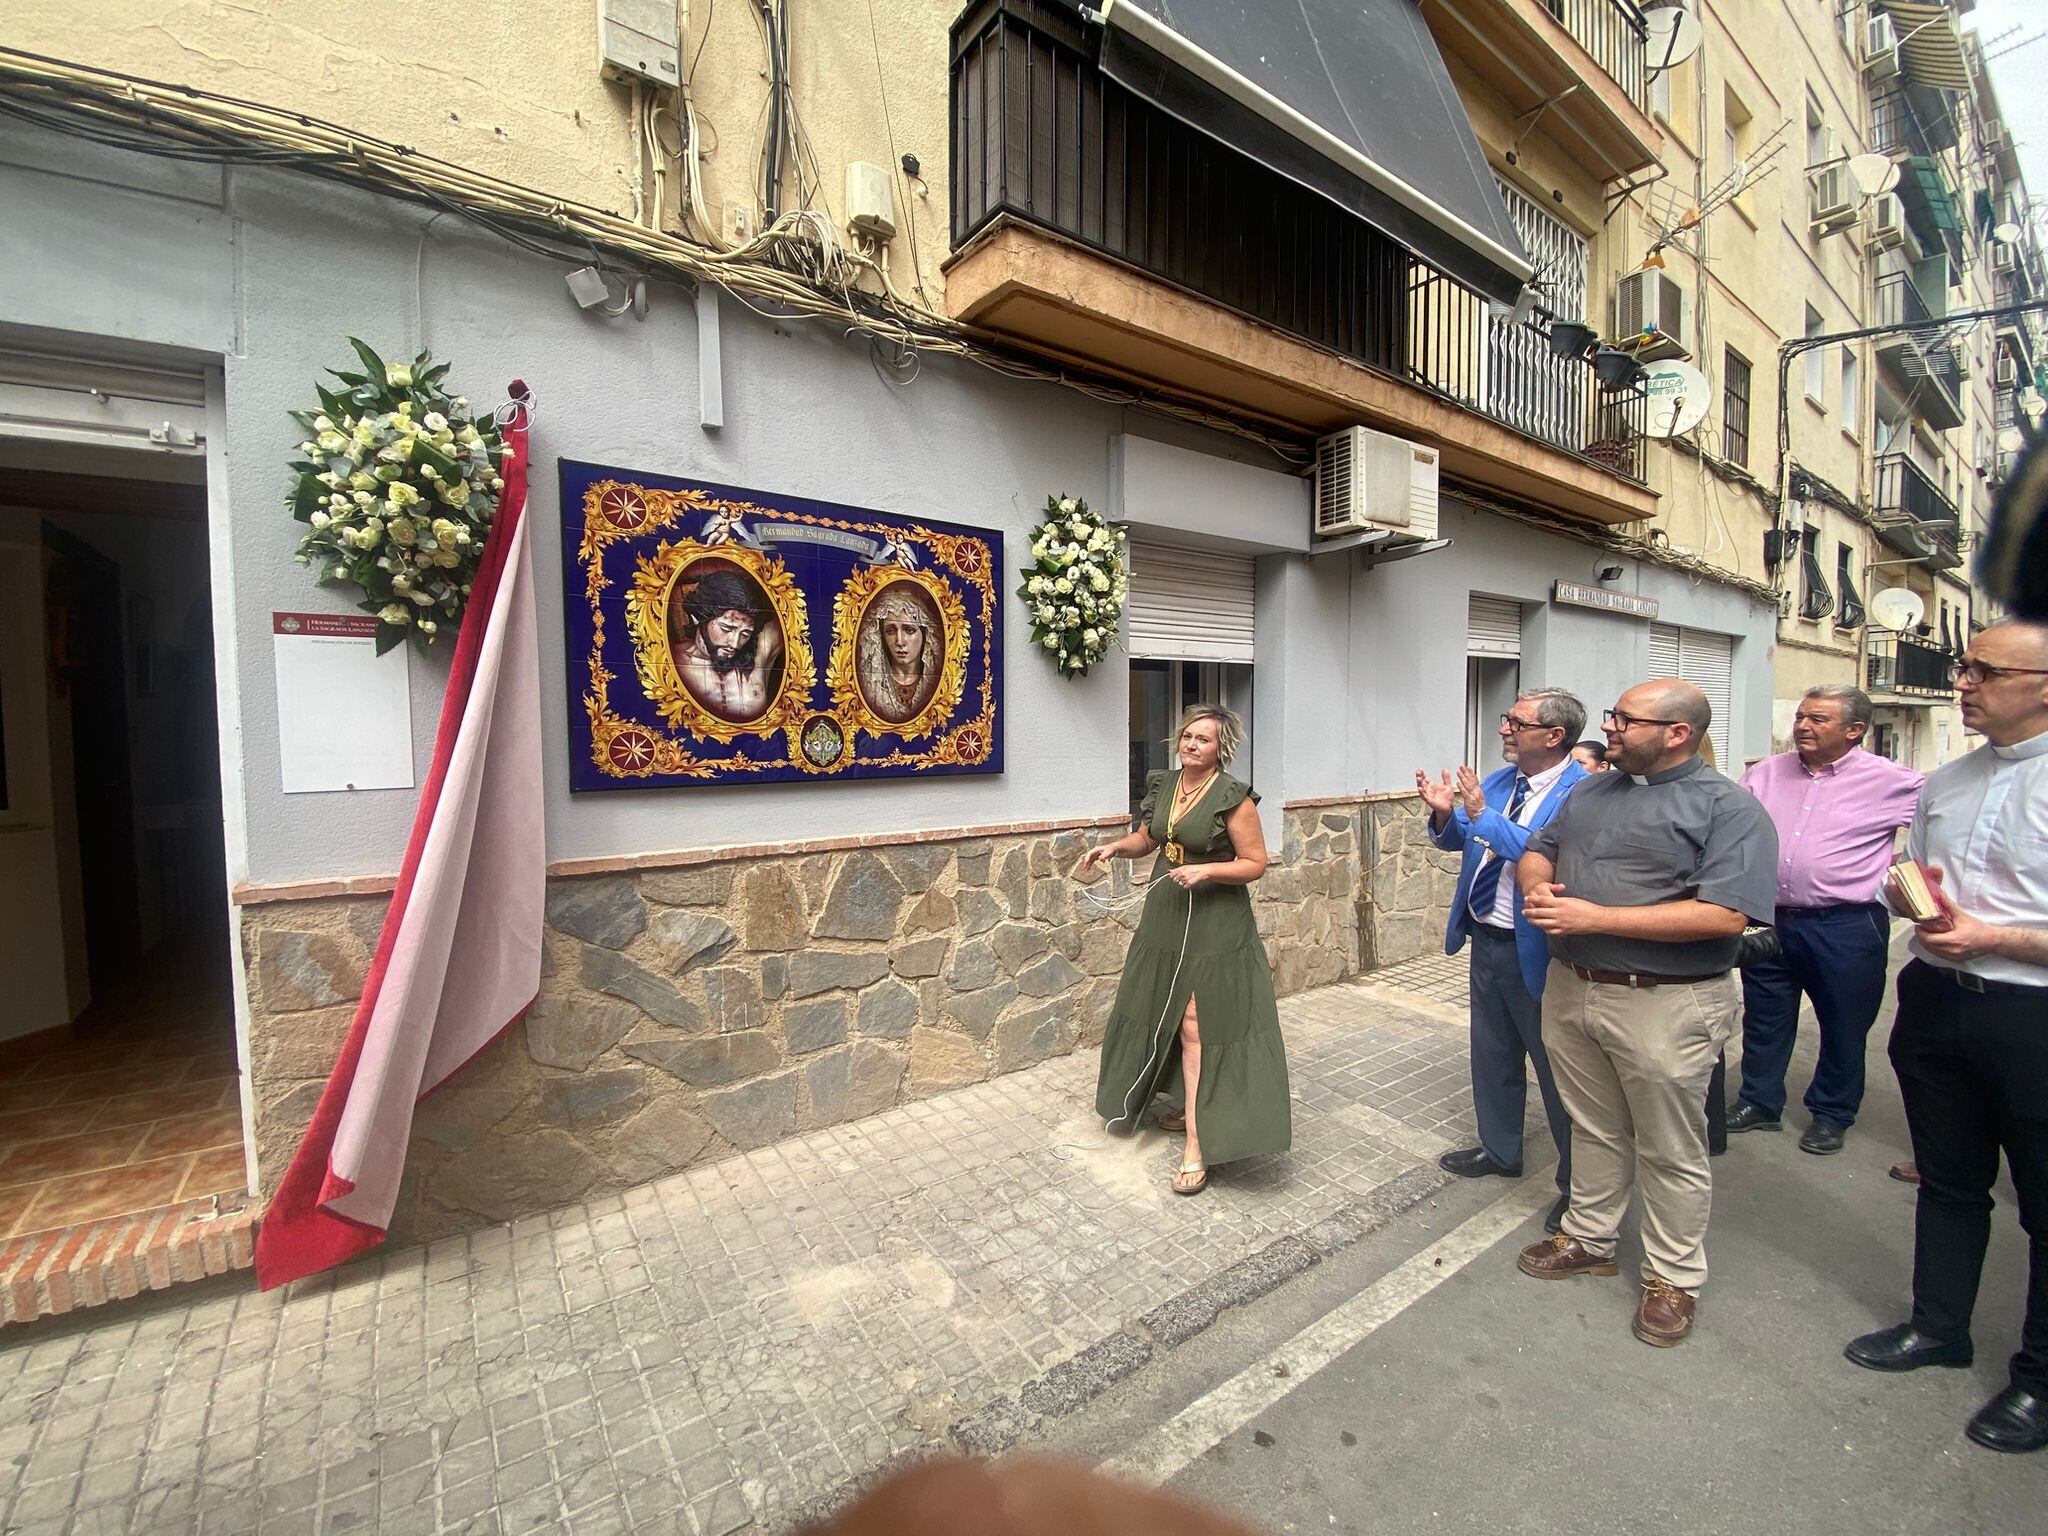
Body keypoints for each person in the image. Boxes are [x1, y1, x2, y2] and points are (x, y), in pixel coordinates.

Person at [1512, 679, 1778, 1348]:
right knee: (1593, 1128)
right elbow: (1540, 848)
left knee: (1669, 1146)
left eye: (1626, 720)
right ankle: (1590, 1237)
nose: (1613, 728)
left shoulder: (1730, 809)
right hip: (1574, 985)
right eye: (1614, 716)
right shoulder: (1592, 789)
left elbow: (1725, 913)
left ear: (1677, 733)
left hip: (1667, 1001)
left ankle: (1673, 1277)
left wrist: (1597, 916)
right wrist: (1539, 884)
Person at [1846, 621, 2048, 1455]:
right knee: (1952, 1182)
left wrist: (1998, 939)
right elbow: (1923, 879)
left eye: (1985, 671)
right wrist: (1909, 899)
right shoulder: (1949, 780)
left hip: (2034, 1014)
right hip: (1936, 1001)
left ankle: (2038, 1380)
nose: (1962, 682)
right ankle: (1938, 1328)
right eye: (1964, 667)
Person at [1077, 705, 1289, 1196]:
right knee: (1159, 1007)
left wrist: (1208, 870)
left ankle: (1199, 1142)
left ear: (1221, 750)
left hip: (1216, 922)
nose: (1192, 745)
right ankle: (1185, 1106)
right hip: (1166, 911)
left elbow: (1255, 863)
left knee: (1199, 1022)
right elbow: (1149, 838)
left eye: (1204, 740)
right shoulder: (1167, 785)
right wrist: (1114, 848)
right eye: (1188, 736)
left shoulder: (1234, 799)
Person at [1416, 688, 1590, 1235]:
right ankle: (1500, 1150)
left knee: (1561, 1073)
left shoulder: (1585, 793)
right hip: (1488, 939)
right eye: (1506, 720)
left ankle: (1580, 1189)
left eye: (1515, 722)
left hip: (1540, 951)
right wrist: (1447, 815)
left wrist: (1479, 816)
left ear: (1554, 735)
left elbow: (1547, 851)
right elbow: (1462, 839)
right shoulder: (1496, 782)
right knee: (1492, 1055)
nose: (1504, 730)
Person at [1727, 686, 1922, 1154]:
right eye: (1800, 716)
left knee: (1843, 1023)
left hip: (1847, 924)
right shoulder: (1765, 774)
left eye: (1818, 719)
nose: (1802, 726)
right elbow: (1732, 831)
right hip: (1769, 919)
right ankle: (1759, 1102)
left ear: (1854, 730)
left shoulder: (1895, 781)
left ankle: (1832, 1113)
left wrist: (1894, 877)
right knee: (1765, 1018)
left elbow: (1941, 834)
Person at [673, 569, 782, 720]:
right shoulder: (672, 660)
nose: (735, 644)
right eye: (726, 628)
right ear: (698, 617)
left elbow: (800, 612)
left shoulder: (759, 652)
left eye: (745, 634)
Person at [858, 589, 939, 722]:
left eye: (910, 630)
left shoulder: (933, 684)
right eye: (890, 631)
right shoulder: (872, 685)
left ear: (925, 635)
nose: (900, 641)